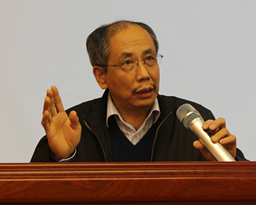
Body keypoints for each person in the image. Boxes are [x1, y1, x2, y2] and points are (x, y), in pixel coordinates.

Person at [31, 20, 245, 162]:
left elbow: (246, 196)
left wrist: (229, 162)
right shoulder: (75, 126)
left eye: (149, 59)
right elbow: (31, 203)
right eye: (128, 62)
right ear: (101, 75)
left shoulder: (193, 123)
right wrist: (60, 158)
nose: (144, 73)